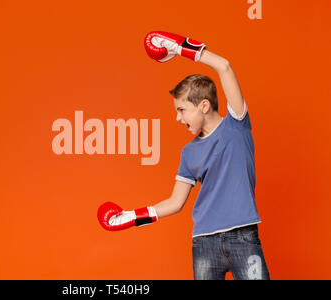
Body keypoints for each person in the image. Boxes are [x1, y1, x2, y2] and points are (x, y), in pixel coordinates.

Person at [97, 31, 270, 280]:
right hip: (204, 243)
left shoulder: (237, 124)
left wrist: (181, 49)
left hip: (243, 237)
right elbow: (176, 202)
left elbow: (225, 67)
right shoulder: (188, 152)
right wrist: (132, 216)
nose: (177, 118)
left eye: (181, 110)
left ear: (204, 105)